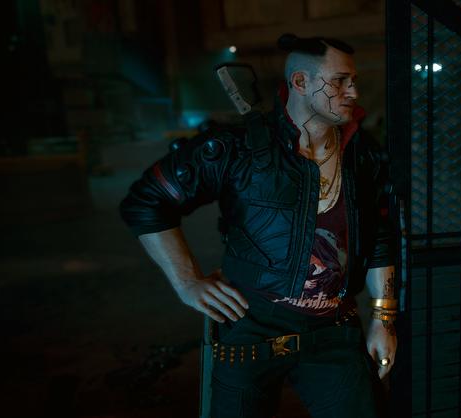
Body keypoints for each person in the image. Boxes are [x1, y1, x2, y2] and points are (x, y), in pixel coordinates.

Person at [119, 34, 398, 418]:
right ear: (300, 82)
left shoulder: (361, 154)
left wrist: (384, 318)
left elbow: (378, 234)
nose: (354, 91)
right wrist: (187, 281)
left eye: (353, 81)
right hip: (250, 326)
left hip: (334, 328)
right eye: (339, 81)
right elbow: (147, 200)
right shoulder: (238, 146)